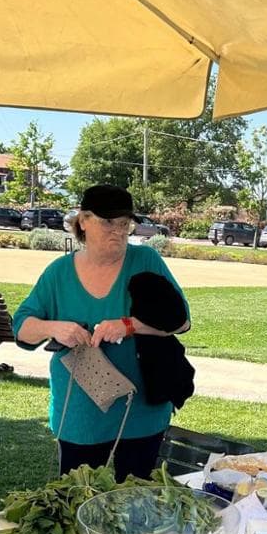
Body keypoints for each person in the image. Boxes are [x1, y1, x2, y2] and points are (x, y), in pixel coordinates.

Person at [13, 184, 190, 480]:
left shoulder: (146, 262)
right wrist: (54, 328)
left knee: (135, 510)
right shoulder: (59, 273)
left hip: (142, 413)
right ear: (83, 221)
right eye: (108, 222)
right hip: (79, 416)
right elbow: (21, 328)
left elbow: (181, 322)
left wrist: (130, 325)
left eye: (124, 223)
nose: (118, 231)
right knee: (78, 503)